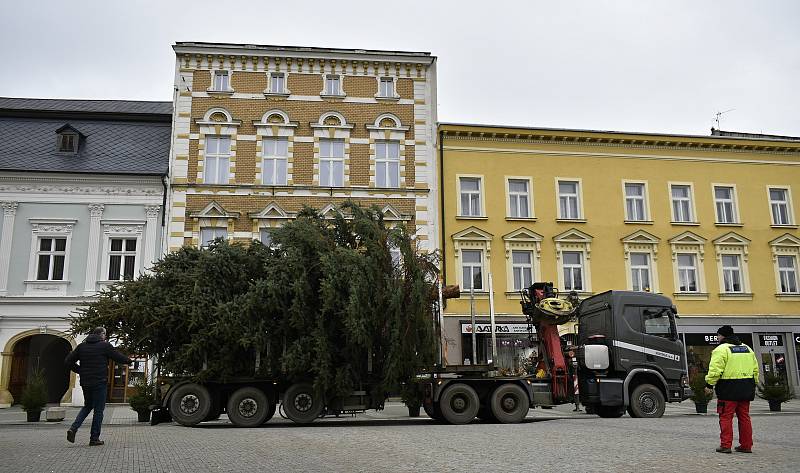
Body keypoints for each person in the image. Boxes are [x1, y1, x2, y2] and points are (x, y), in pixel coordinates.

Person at [64, 327, 132, 446]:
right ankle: (94, 438)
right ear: (102, 335)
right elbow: (117, 356)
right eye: (105, 334)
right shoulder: (104, 346)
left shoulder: (82, 346)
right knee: (98, 411)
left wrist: (80, 370)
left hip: (86, 382)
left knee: (87, 406)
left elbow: (68, 361)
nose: (105, 337)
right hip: (99, 382)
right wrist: (129, 361)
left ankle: (73, 428)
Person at [704, 325, 759, 454]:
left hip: (728, 389)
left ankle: (726, 445)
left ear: (723, 336)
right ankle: (746, 445)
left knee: (725, 417)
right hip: (746, 387)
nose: (717, 338)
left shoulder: (721, 350)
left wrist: (709, 385)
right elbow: (755, 369)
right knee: (744, 417)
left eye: (718, 335)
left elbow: (715, 370)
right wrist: (753, 384)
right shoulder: (747, 349)